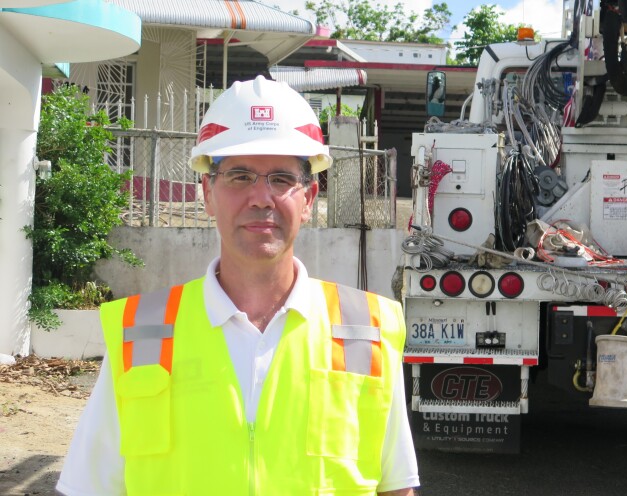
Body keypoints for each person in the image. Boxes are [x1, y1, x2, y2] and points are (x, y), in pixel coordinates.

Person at [57, 76, 420, 495]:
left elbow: (396, 486)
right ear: (208, 194)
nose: (261, 198)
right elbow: (88, 487)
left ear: (308, 198)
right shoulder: (144, 333)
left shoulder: (365, 329)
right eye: (240, 176)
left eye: (281, 179)